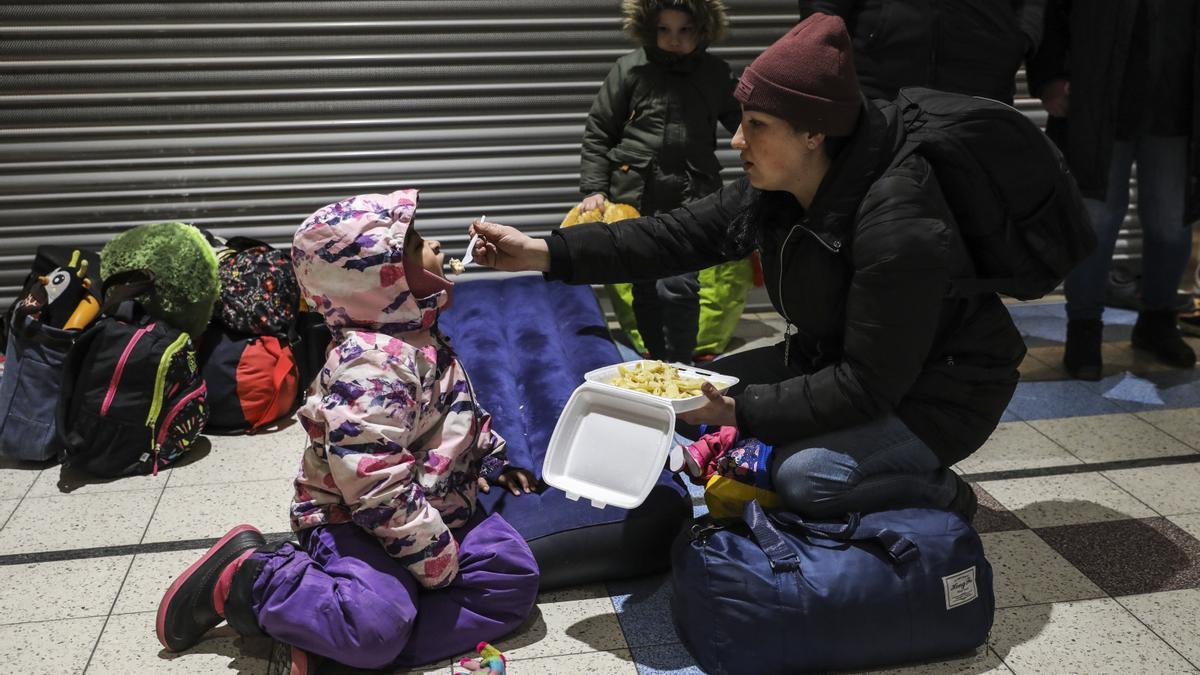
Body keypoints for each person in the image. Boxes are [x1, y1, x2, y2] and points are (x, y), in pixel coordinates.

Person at [470, 14, 1026, 520]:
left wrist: (744, 410)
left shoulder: (897, 225)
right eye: (740, 120)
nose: (736, 140)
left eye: (757, 124)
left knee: (807, 478)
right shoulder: (779, 188)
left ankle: (941, 492)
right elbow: (674, 234)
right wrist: (543, 251)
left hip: (945, 392)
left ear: (814, 133)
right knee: (703, 400)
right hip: (835, 361)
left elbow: (867, 386)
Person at [156, 190, 540, 672]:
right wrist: (434, 557)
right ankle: (250, 578)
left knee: (512, 579)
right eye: (417, 242)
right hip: (354, 520)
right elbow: (374, 484)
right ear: (378, 280)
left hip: (428, 510)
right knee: (376, 621)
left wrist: (488, 458)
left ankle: (335, 648)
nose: (437, 244)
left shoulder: (415, 331)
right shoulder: (371, 367)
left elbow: (455, 408)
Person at [1028, 0, 1199, 380]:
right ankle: (1083, 330)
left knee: (1171, 225)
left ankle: (1157, 321)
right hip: (1093, 102)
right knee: (1094, 224)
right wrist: (1048, 77)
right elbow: (1050, 12)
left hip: (1175, 104)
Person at [578, 0, 742, 363]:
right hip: (636, 193)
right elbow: (599, 131)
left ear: (702, 30)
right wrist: (594, 189)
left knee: (682, 285)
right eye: (664, 29)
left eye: (685, 30)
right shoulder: (631, 70)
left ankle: (681, 366)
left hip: (693, 193)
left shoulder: (715, 74)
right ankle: (655, 360)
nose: (674, 39)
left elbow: (744, 125)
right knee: (644, 284)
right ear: (650, 28)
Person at [799, 0, 1047, 104]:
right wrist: (828, 50)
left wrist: (1018, 40)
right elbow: (823, 7)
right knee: (877, 196)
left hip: (981, 81)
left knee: (974, 199)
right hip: (878, 81)